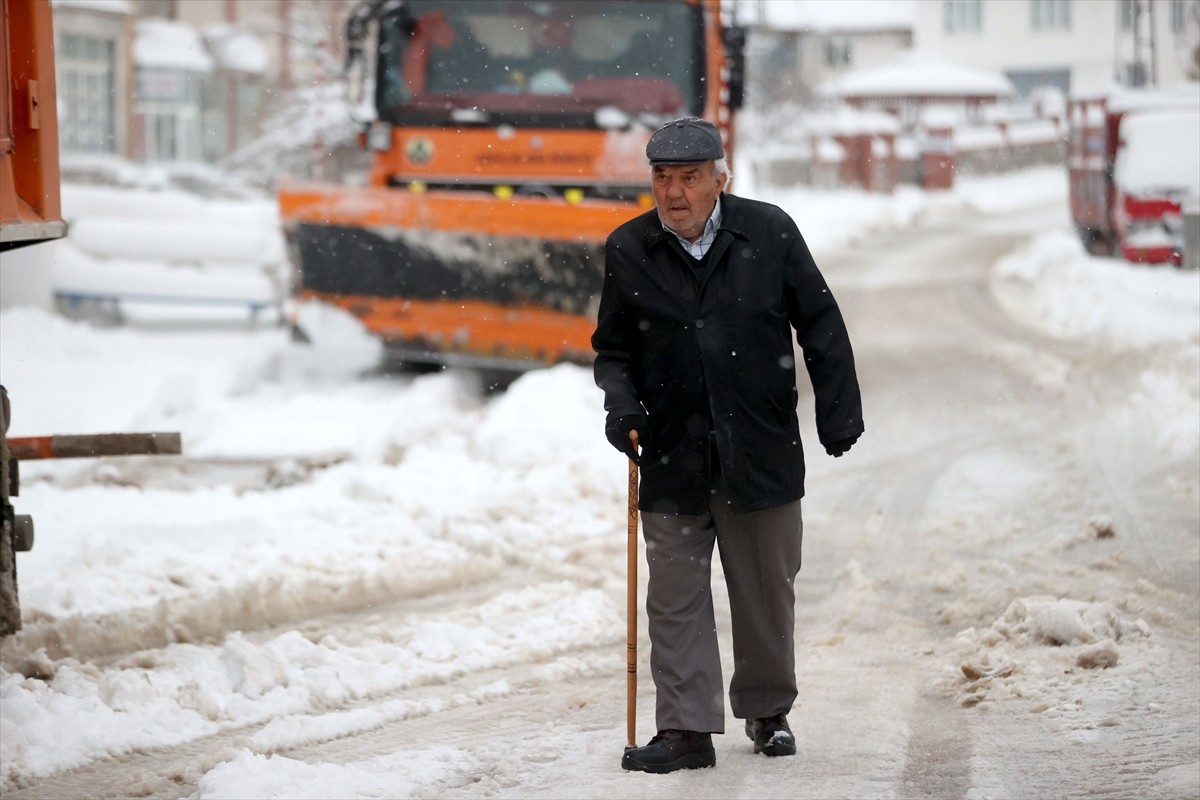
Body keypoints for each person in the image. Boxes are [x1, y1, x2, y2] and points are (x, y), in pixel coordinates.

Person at [591, 116, 864, 774]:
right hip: (670, 450)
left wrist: (838, 410)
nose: (674, 192)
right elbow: (614, 350)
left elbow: (819, 320)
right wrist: (622, 405)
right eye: (662, 178)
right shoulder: (630, 249)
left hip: (759, 446)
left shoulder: (768, 233)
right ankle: (685, 728)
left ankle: (768, 710)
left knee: (767, 589)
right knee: (675, 596)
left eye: (688, 178)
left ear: (721, 178)